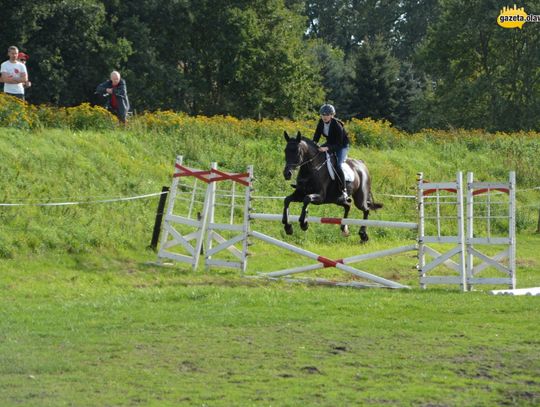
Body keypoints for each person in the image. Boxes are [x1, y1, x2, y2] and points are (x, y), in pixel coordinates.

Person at [313, 103, 351, 204]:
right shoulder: (321, 122)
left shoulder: (337, 125)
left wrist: (327, 148)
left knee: (338, 165)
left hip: (342, 146)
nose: (324, 116)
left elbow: (338, 144)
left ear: (332, 115)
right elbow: (316, 136)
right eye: (323, 114)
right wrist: (313, 145)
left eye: (327, 114)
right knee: (315, 155)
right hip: (330, 143)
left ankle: (344, 191)